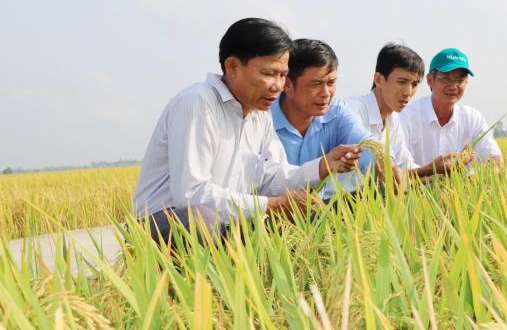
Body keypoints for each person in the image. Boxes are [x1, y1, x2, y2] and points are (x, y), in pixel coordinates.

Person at [132, 18, 363, 244]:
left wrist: (323, 166)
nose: (278, 86)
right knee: (202, 220)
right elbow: (191, 195)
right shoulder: (198, 102)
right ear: (232, 66)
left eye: (282, 75)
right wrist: (272, 206)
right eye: (268, 74)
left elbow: (271, 178)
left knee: (309, 211)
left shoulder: (260, 114)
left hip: (227, 222)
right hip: (167, 220)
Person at [271, 39, 401, 199]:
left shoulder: (337, 112)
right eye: (316, 84)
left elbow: (371, 144)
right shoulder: (264, 118)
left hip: (318, 209)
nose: (326, 93)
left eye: (331, 83)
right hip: (268, 210)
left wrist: (388, 166)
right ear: (288, 85)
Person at [345, 43, 462, 180]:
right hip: (340, 199)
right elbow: (388, 174)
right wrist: (431, 169)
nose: (409, 92)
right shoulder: (353, 111)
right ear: (379, 80)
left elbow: (405, 166)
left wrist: (449, 177)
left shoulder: (393, 119)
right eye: (402, 82)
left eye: (415, 84)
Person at [400, 48, 503, 168]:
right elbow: (398, 166)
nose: (453, 86)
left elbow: (496, 159)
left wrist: (475, 181)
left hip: (465, 186)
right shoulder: (407, 116)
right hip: (419, 186)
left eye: (460, 80)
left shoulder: (473, 119)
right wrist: (434, 173)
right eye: (446, 78)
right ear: (430, 80)